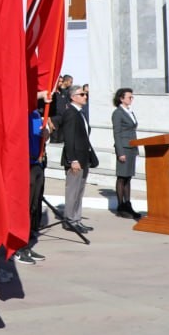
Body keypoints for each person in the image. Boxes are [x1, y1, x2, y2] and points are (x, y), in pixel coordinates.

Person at [61, 86, 96, 235]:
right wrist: (72, 159)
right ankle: (70, 221)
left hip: (84, 157)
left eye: (85, 94)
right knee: (73, 191)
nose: (85, 96)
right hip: (75, 159)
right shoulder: (70, 113)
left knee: (79, 191)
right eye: (82, 94)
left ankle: (77, 219)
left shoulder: (80, 113)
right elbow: (68, 138)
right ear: (73, 97)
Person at [20, 96, 49, 263]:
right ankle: (18, 248)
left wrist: (46, 134)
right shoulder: (20, 113)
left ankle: (27, 244)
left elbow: (40, 137)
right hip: (25, 164)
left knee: (33, 207)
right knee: (23, 208)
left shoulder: (37, 114)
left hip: (37, 163)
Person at [112, 88, 142, 220]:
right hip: (123, 148)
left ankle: (128, 204)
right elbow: (117, 133)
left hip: (131, 148)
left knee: (128, 177)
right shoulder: (118, 113)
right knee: (122, 177)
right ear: (121, 98)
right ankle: (120, 206)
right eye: (129, 97)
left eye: (132, 97)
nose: (131, 99)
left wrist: (136, 149)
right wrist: (120, 152)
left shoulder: (129, 111)